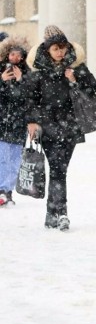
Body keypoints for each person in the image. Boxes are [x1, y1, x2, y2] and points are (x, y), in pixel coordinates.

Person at [24, 25, 96, 230]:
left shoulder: (77, 66)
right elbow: (29, 99)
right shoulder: (38, 72)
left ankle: (52, 213)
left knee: (60, 169)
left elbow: (93, 88)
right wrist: (31, 121)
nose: (60, 52)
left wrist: (75, 79)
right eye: (56, 48)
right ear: (47, 50)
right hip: (47, 126)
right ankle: (61, 212)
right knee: (58, 168)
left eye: (63, 47)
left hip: (70, 125)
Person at [0, 35, 30, 207]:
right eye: (12, 54)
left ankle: (7, 190)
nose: (15, 58)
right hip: (1, 120)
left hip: (18, 122)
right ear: (6, 54)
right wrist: (2, 81)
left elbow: (28, 98)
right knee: (2, 156)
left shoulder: (27, 74)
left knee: (14, 158)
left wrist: (20, 80)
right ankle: (2, 189)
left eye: (19, 55)